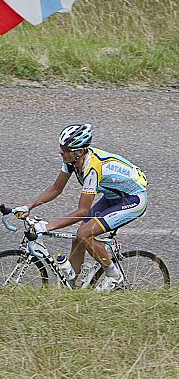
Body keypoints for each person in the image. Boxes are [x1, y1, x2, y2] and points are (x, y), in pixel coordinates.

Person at [21, 123, 148, 291]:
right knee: (78, 238)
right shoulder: (72, 161)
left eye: (65, 150)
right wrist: (29, 206)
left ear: (79, 151)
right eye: (61, 148)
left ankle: (114, 276)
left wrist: (47, 226)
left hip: (132, 200)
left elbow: (82, 211)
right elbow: (56, 189)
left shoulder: (92, 168)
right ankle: (71, 285)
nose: (61, 153)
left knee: (84, 233)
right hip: (113, 197)